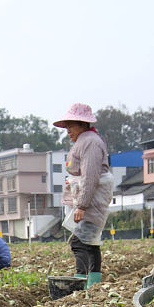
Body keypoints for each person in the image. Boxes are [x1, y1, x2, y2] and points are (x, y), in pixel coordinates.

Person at [53, 103, 114, 288]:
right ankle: (90, 284)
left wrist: (81, 205)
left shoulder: (90, 142)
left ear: (82, 124)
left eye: (71, 126)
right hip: (89, 198)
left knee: (80, 242)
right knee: (88, 242)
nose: (68, 131)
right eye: (67, 127)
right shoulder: (86, 141)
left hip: (91, 199)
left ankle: (81, 282)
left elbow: (90, 176)